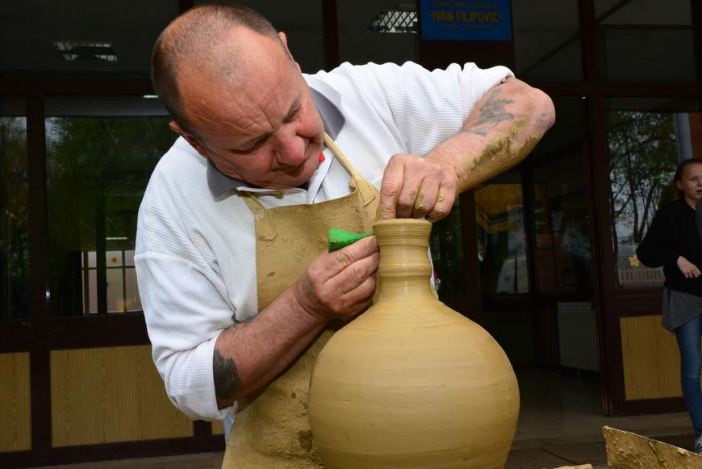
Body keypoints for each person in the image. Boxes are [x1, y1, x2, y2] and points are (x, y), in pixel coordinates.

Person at [135, 3, 555, 466]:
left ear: (288, 55)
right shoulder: (172, 204)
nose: (294, 151)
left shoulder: (368, 94)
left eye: (294, 111)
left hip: (427, 448)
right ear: (194, 139)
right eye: (253, 144)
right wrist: (303, 308)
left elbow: (532, 105)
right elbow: (188, 383)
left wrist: (446, 164)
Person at [637, 158, 702, 454]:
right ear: (680, 184)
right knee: (692, 369)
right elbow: (646, 252)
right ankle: (701, 433)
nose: (700, 183)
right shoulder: (670, 215)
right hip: (685, 298)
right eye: (693, 179)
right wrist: (677, 259)